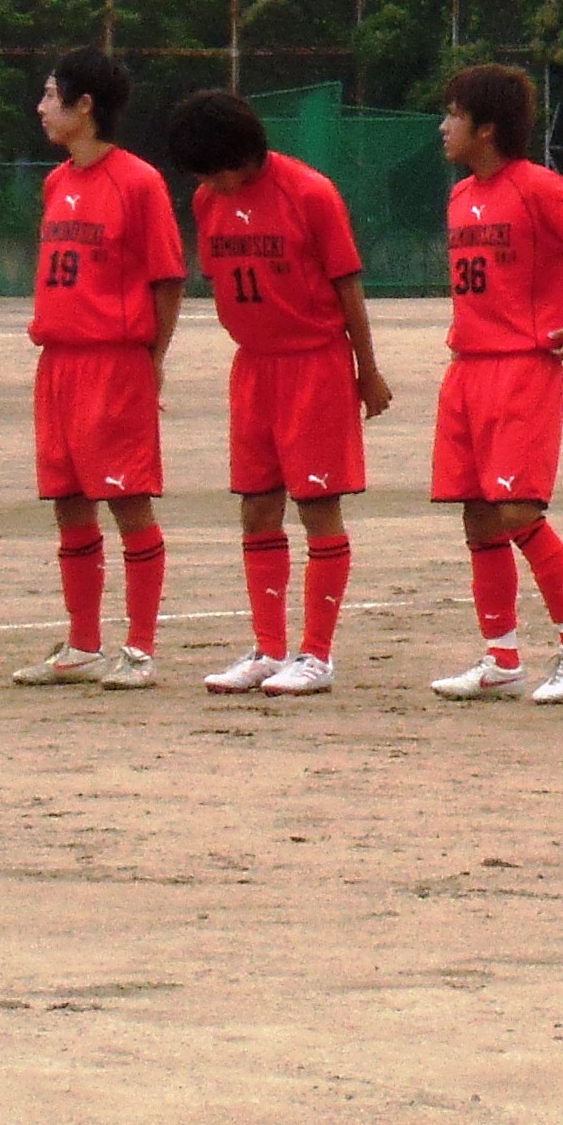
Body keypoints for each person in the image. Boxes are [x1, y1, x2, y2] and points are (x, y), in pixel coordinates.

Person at [166, 90, 392, 699]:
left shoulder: (310, 193)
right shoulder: (208, 200)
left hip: (313, 364)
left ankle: (315, 655)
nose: (211, 182)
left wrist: (366, 371)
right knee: (256, 504)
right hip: (253, 368)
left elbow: (347, 288)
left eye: (216, 169)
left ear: (244, 155)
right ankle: (268, 648)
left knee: (317, 504)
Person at [425, 63, 563, 702]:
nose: (443, 127)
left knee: (518, 509)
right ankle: (501, 656)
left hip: (522, 369)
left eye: (454, 116)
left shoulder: (539, 187)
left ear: (486, 129)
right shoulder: (462, 195)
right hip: (467, 368)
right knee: (479, 516)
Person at [13, 48, 187, 691]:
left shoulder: (137, 181)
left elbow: (169, 281)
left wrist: (153, 361)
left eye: (52, 94)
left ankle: (139, 647)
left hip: (113, 362)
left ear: (86, 107)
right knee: (68, 501)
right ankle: (84, 644)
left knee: (128, 502)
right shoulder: (57, 182)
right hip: (57, 361)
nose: (41, 106)